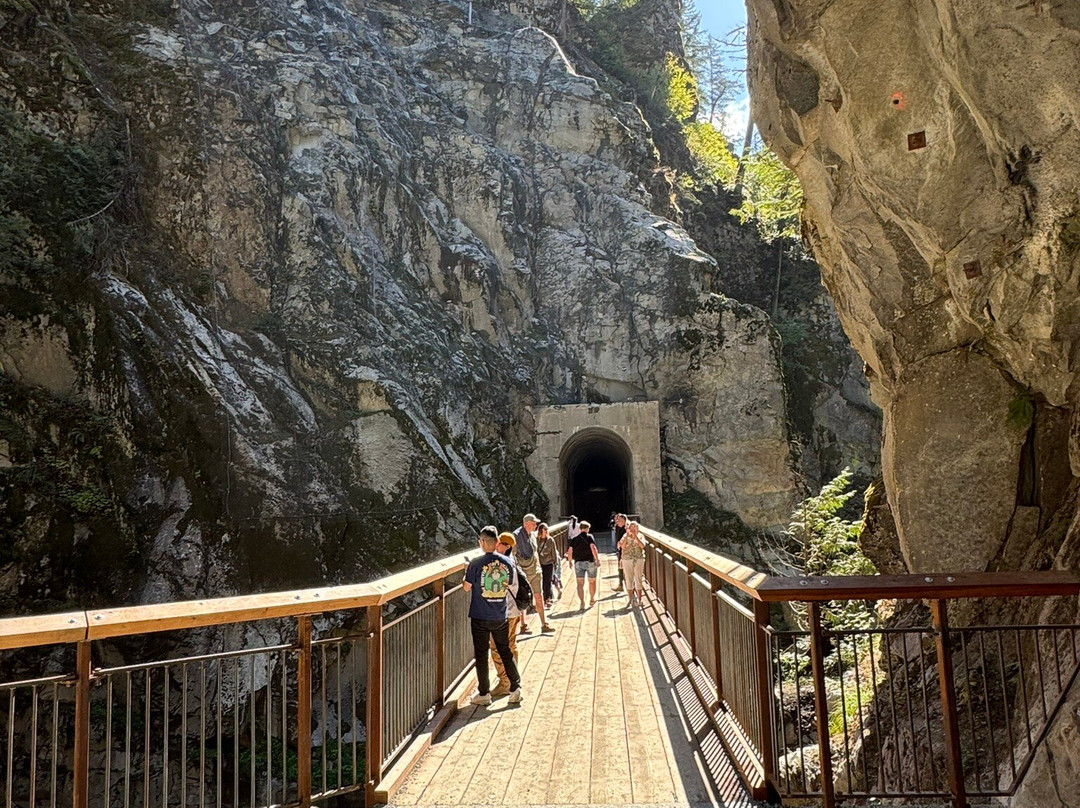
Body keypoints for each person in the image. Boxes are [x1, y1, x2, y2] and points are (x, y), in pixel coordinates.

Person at [464, 526, 522, 705]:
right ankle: (515, 687)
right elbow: (510, 583)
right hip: (500, 614)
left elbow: (466, 587)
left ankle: (484, 694)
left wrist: (467, 572)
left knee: (481, 654)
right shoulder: (507, 562)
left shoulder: (475, 563)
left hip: (480, 615)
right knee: (505, 650)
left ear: (482, 542)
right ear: (497, 542)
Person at [489, 532, 524, 697]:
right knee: (511, 644)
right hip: (513, 611)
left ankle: (505, 682)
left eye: (500, 543)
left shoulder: (501, 564)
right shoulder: (512, 561)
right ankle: (513, 677)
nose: (497, 545)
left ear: (507, 546)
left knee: (497, 648)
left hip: (504, 612)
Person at [513, 513, 553, 634]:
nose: (536, 524)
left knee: (539, 596)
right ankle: (523, 625)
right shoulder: (516, 536)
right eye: (533, 522)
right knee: (523, 598)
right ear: (526, 523)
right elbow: (513, 555)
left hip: (535, 571)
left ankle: (543, 624)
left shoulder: (533, 535)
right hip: (524, 573)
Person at [565, 519, 600, 608]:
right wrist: (597, 559)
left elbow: (570, 550)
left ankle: (582, 602)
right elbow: (593, 548)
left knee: (580, 584)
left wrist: (569, 561)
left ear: (580, 529)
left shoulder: (575, 539)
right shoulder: (590, 537)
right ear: (587, 528)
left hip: (578, 563)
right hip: (590, 562)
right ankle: (592, 599)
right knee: (592, 581)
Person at [618, 520, 647, 608]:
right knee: (628, 579)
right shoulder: (625, 536)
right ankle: (630, 598)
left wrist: (635, 537)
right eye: (631, 527)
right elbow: (622, 546)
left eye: (635, 527)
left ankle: (639, 600)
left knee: (638, 578)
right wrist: (627, 536)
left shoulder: (641, 536)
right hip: (627, 559)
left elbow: (642, 546)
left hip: (638, 559)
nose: (633, 529)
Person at [536, 522, 559, 609]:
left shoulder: (550, 540)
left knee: (547, 581)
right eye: (545, 529)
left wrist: (555, 563)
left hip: (548, 563)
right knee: (541, 581)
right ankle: (542, 599)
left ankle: (547, 599)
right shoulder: (536, 540)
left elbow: (554, 552)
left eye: (547, 529)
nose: (547, 531)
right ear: (541, 530)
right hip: (540, 563)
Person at [612, 513, 627, 593]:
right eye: (618, 520)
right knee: (620, 567)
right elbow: (617, 537)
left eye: (620, 520)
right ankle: (621, 585)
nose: (618, 521)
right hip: (620, 550)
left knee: (628, 568)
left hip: (627, 549)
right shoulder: (617, 527)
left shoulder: (627, 528)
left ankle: (631, 586)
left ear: (625, 520)